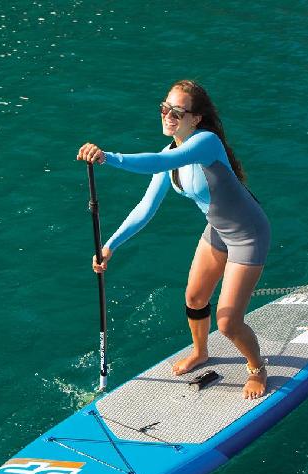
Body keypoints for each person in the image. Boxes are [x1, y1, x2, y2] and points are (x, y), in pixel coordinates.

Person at [76, 79, 271, 400]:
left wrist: (107, 157)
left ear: (196, 119)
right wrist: (109, 246)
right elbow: (146, 208)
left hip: (248, 234)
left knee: (228, 323)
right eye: (165, 109)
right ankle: (201, 352)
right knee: (194, 298)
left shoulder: (206, 142)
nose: (168, 116)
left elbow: (158, 162)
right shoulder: (171, 152)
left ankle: (257, 367)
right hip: (217, 230)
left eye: (178, 112)